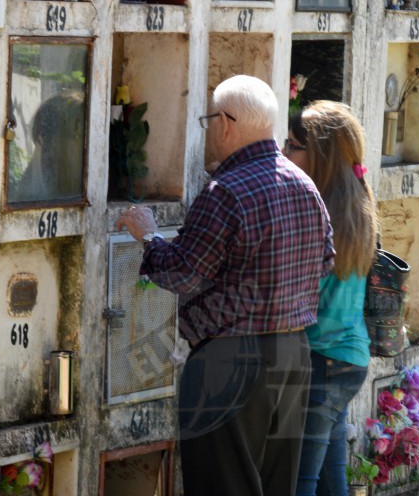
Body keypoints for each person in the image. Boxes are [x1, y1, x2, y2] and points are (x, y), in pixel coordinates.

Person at [116, 75, 334, 496]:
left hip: (230, 362)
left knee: (224, 486)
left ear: (226, 123)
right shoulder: (305, 185)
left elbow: (182, 272)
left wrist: (148, 236)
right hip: (294, 356)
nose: (210, 130)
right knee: (275, 487)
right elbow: (325, 261)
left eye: (209, 120)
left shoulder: (226, 191)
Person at [284, 100, 376, 496]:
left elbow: (301, 295)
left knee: (300, 482)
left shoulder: (316, 212)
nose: (283, 153)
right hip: (351, 360)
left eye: (292, 146)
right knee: (329, 478)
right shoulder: (358, 205)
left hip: (321, 362)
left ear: (318, 155)